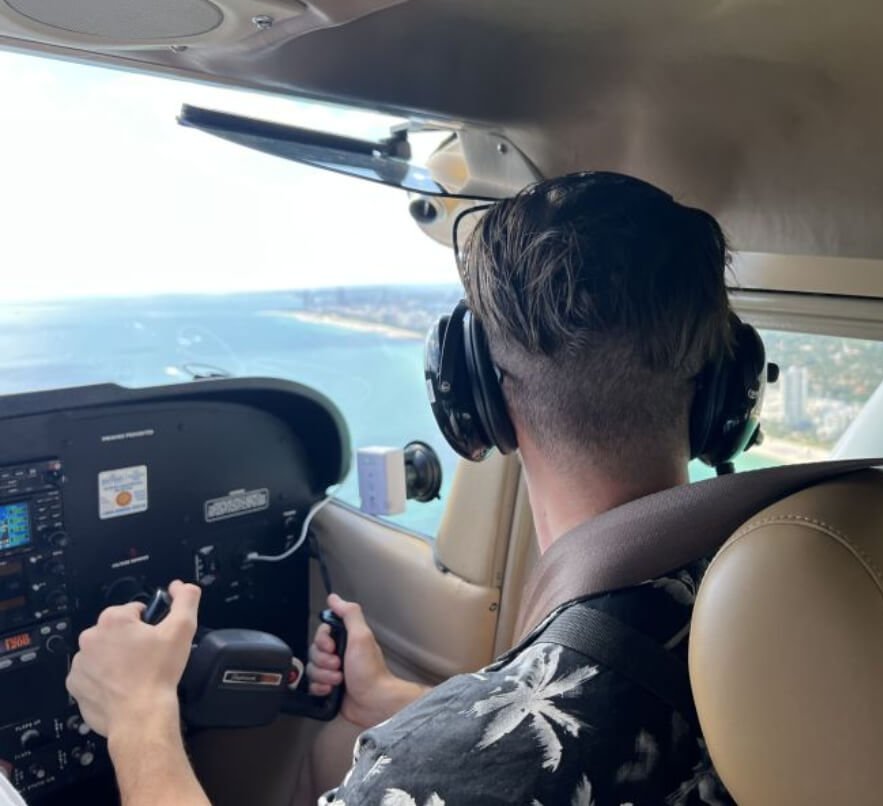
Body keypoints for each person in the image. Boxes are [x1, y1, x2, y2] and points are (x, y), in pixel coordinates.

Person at [66, 172, 739, 805]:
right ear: (722, 393)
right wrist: (394, 702)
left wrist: (137, 713)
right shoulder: (761, 604)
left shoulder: (431, 772)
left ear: (472, 403)